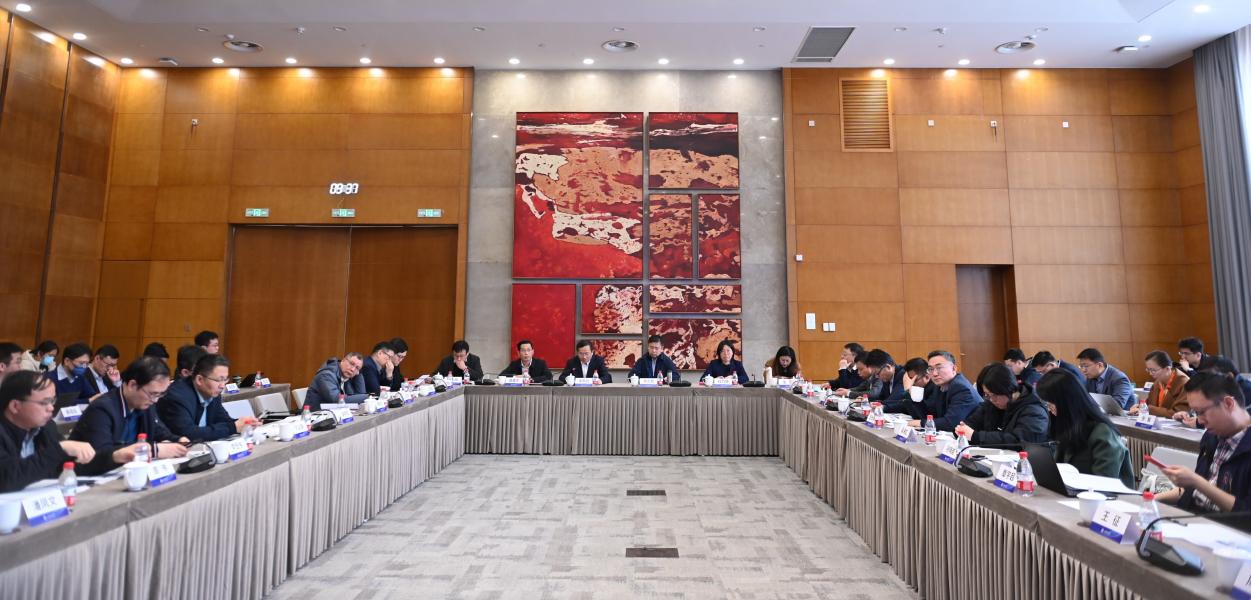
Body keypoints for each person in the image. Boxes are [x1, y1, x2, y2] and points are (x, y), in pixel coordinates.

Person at [1, 371, 134, 492]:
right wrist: (59, 449)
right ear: (15, 406)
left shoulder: (46, 427)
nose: (51, 408)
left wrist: (113, 456)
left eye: (52, 401)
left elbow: (70, 466)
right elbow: (6, 478)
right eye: (44, 403)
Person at [1155, 373, 1251, 513]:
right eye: (1196, 413)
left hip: (1224, 525)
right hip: (1190, 517)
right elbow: (1193, 492)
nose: (1199, 420)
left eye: (1202, 412)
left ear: (1228, 404)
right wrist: (1151, 499)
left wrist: (1196, 482)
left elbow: (1246, 513)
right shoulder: (1212, 436)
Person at [70, 356, 189, 463]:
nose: (156, 400)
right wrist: (153, 450)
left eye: (161, 394)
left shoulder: (146, 405)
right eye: (153, 394)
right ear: (132, 385)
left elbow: (160, 432)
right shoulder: (101, 409)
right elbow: (102, 454)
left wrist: (179, 440)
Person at [1036, 369, 1135, 488]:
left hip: (1104, 496)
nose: (1049, 408)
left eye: (1050, 403)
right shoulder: (1067, 426)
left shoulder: (1103, 432)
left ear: (1066, 401)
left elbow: (1105, 484)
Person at [159, 354, 256, 442]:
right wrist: (233, 427)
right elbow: (188, 433)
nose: (222, 386)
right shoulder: (178, 396)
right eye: (219, 380)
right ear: (199, 379)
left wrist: (244, 424)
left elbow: (223, 420)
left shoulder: (213, 393)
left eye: (225, 379)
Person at [955, 363, 1050, 449]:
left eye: (994, 394)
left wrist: (976, 436)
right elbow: (972, 423)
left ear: (1008, 388)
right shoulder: (991, 404)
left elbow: (1019, 442)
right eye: (987, 395)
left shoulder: (1034, 410)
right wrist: (963, 430)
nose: (992, 399)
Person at [904, 351, 979, 432]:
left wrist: (919, 423)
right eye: (931, 369)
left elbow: (950, 424)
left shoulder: (961, 388)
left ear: (954, 368)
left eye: (939, 368)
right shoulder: (939, 386)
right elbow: (928, 416)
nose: (934, 374)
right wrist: (910, 392)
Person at [1128, 350, 1189, 419]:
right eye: (1148, 370)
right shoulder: (1158, 382)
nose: (1150, 373)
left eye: (1153, 370)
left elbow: (1179, 413)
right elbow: (1148, 404)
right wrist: (1139, 407)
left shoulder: (1184, 383)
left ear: (1167, 368)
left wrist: (1148, 410)